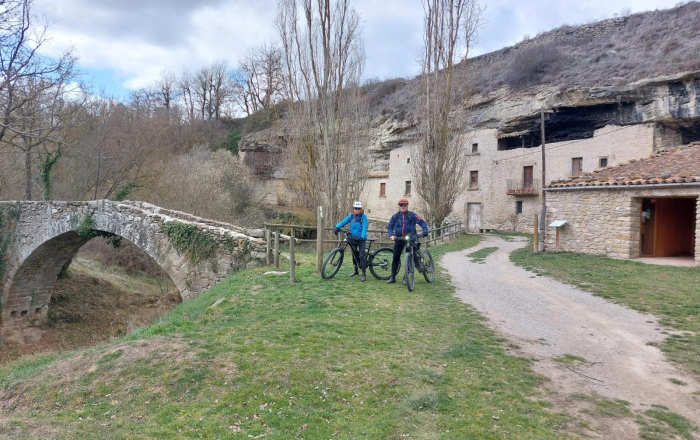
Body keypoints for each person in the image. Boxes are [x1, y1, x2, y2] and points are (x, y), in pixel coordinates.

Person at [386, 198, 429, 284]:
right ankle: (392, 277)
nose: (402, 206)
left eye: (404, 205)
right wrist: (391, 235)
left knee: (410, 256)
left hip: (411, 238)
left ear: (407, 206)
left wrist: (425, 231)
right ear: (399, 206)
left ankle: (406, 278)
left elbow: (421, 222)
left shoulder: (412, 215)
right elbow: (390, 226)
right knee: (395, 258)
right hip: (399, 238)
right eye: (401, 205)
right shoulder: (395, 216)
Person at [334, 201, 369, 282]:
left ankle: (364, 273)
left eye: (358, 209)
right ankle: (356, 271)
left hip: (361, 239)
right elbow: (344, 221)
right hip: (353, 238)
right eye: (355, 208)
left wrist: (362, 236)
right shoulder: (351, 216)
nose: (357, 210)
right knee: (353, 254)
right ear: (353, 209)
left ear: (361, 209)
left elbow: (365, 227)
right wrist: (337, 227)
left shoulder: (364, 217)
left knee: (361, 255)